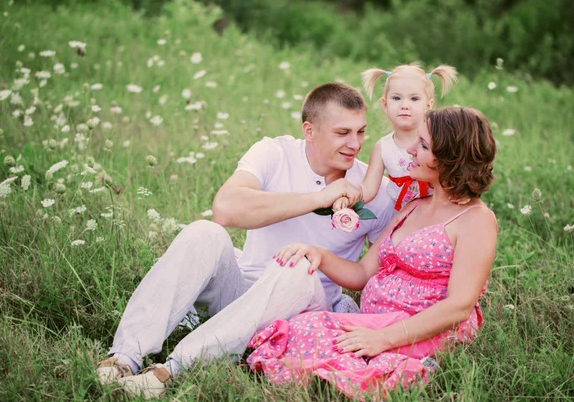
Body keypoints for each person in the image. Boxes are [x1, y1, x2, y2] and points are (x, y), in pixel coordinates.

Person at [95, 82, 396, 399]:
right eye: (342, 133)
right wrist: (318, 197)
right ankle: (123, 357)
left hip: (303, 306)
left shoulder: (375, 190)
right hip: (242, 288)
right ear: (309, 131)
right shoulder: (275, 152)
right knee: (205, 231)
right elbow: (225, 209)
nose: (355, 143)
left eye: (361, 132)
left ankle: (169, 371)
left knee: (298, 267)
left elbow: (377, 272)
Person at [247, 106, 498, 399]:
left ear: (450, 159)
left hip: (423, 327)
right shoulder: (414, 206)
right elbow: (363, 273)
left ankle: (393, 367)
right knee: (303, 326)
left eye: (424, 145)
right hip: (378, 322)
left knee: (320, 336)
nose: (412, 150)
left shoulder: (475, 220)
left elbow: (459, 306)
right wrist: (317, 254)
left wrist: (382, 338)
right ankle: (352, 365)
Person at [333, 63, 457, 212]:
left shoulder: (437, 140)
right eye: (396, 98)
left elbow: (454, 173)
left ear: (428, 105)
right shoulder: (383, 147)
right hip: (399, 213)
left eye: (414, 99)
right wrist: (348, 199)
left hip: (435, 210)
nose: (405, 105)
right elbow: (369, 189)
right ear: (385, 105)